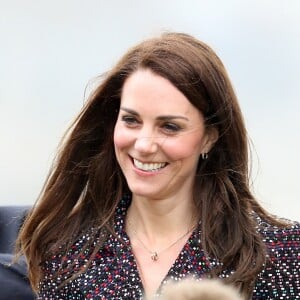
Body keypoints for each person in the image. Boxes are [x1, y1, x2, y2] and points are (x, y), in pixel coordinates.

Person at [17, 32, 299, 299]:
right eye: (131, 120)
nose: (143, 144)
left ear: (209, 138)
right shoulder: (66, 252)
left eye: (169, 126)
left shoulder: (280, 252)